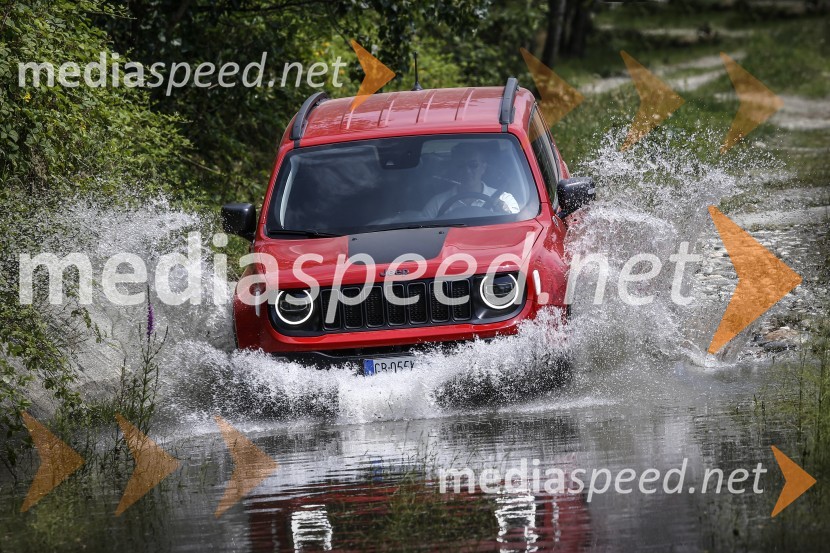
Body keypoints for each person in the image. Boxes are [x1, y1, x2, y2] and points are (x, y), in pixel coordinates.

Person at [421, 143, 520, 219]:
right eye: (460, 165)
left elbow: (519, 229)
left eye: (473, 165)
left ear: (483, 167)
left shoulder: (505, 199)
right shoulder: (437, 203)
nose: (467, 171)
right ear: (454, 169)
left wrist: (505, 214)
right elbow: (423, 234)